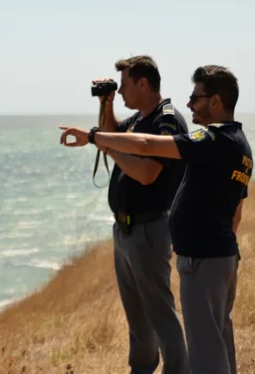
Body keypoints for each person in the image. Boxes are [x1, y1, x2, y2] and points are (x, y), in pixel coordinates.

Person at [60, 65, 252, 374]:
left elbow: (148, 151)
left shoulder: (207, 137)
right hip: (214, 254)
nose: (189, 105)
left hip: (201, 256)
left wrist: (95, 137)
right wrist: (105, 106)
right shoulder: (238, 143)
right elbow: (236, 214)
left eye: (196, 98)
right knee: (215, 343)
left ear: (216, 101)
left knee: (204, 351)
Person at [93, 55, 191, 374]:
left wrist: (107, 147)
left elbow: (148, 173)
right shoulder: (137, 119)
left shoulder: (167, 120)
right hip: (125, 231)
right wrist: (106, 103)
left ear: (143, 83)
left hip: (149, 229)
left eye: (122, 86)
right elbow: (110, 133)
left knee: (160, 314)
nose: (120, 92)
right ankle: (142, 369)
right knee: (137, 316)